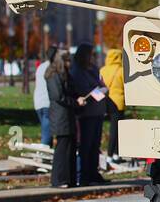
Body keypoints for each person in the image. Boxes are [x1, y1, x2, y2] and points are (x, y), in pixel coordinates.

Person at [70, 44, 108, 185]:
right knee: (86, 146)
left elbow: (101, 85)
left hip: (98, 112)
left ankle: (93, 173)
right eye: (91, 55)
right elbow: (85, 91)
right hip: (87, 114)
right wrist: (100, 90)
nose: (93, 58)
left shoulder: (93, 69)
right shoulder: (77, 71)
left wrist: (100, 89)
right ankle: (83, 175)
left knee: (94, 146)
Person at [45, 50, 78, 187]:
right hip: (60, 115)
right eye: (67, 60)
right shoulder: (53, 75)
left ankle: (69, 178)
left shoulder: (64, 75)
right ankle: (59, 179)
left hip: (67, 114)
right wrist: (75, 102)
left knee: (70, 148)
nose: (69, 63)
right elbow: (58, 96)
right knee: (62, 148)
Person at [100, 47, 126, 163]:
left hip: (106, 102)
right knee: (118, 130)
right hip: (119, 103)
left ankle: (111, 154)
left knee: (112, 129)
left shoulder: (103, 70)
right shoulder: (121, 70)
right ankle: (114, 154)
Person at [33, 46, 58, 147]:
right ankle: (44, 152)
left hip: (38, 102)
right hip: (48, 102)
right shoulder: (53, 68)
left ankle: (47, 153)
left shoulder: (41, 67)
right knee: (47, 132)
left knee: (47, 129)